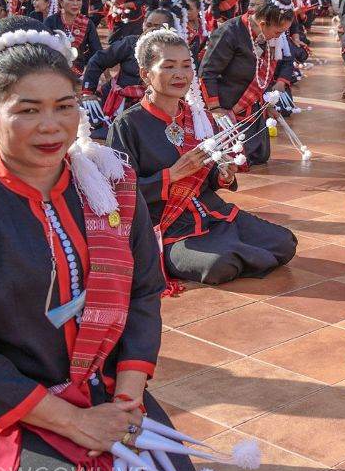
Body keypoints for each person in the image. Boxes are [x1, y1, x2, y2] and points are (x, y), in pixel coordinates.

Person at [0, 19, 196, 471]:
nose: (51, 126)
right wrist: (74, 423)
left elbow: (142, 293)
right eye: (28, 110)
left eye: (64, 106)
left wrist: (129, 397)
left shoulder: (110, 185)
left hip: (104, 385)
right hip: (6, 402)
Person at [109, 28, 297, 288]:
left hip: (210, 211)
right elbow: (120, 193)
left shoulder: (197, 117)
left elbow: (208, 176)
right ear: (145, 74)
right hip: (168, 224)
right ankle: (222, 251)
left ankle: (229, 247)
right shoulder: (127, 125)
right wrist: (171, 175)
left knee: (285, 242)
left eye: (187, 66)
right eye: (169, 66)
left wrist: (221, 175)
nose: (180, 74)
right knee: (218, 265)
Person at [200, 0, 296, 166]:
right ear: (262, 24)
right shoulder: (230, 32)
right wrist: (215, 108)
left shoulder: (269, 37)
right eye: (277, 32)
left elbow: (264, 75)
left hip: (252, 105)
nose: (279, 37)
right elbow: (207, 73)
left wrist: (268, 104)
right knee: (237, 159)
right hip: (227, 107)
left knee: (260, 155)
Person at [81, 8, 178, 126]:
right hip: (118, 104)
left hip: (156, 105)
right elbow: (98, 61)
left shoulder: (175, 51)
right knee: (86, 116)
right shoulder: (131, 43)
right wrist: (88, 92)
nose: (150, 29)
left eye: (157, 26)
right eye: (148, 24)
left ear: (169, 30)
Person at [45, 0, 101, 75]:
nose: (75, 3)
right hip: (53, 68)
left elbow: (97, 50)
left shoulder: (87, 23)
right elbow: (43, 47)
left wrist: (107, 76)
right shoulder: (51, 21)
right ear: (61, 2)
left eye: (79, 0)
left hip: (76, 70)